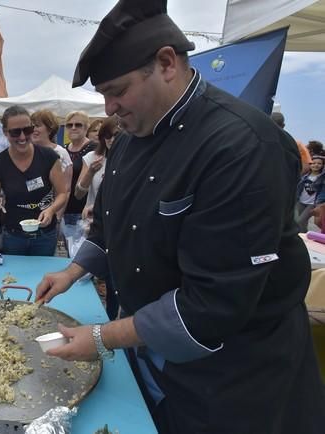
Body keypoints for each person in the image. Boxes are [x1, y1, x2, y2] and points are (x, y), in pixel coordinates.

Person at [35, 1, 325, 433]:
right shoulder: (135, 135)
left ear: (167, 63)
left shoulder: (241, 146)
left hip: (233, 376)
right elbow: (113, 223)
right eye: (104, 96)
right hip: (152, 347)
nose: (109, 108)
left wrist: (101, 338)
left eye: (118, 90)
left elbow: (212, 305)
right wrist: (74, 269)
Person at [0, 105, 66, 256]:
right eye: (15, 132)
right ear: (5, 132)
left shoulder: (49, 156)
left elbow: (62, 193)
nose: (22, 137)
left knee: (43, 275)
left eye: (27, 130)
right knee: (14, 277)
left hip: (45, 234)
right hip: (13, 235)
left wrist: (51, 210)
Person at [75, 116, 120, 221]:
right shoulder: (92, 157)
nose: (112, 140)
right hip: (93, 219)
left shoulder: (131, 159)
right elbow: (78, 194)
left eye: (117, 135)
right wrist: (90, 172)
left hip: (118, 220)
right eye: (108, 135)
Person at [31, 109, 73, 219]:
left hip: (51, 213)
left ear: (49, 130)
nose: (33, 129)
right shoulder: (26, 151)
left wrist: (57, 216)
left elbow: (66, 189)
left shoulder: (61, 153)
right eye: (32, 126)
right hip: (28, 212)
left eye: (37, 125)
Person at [61, 111, 96, 228]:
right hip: (63, 209)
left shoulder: (94, 148)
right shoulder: (63, 149)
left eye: (78, 125)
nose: (73, 128)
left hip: (84, 210)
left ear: (86, 127)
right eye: (69, 125)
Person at [296, 155, 325, 232]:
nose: (316, 165)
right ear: (309, 164)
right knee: (303, 223)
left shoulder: (322, 178)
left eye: (319, 163)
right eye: (313, 163)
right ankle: (303, 237)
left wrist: (319, 204)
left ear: (322, 165)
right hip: (301, 202)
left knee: (300, 221)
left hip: (312, 203)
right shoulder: (304, 176)